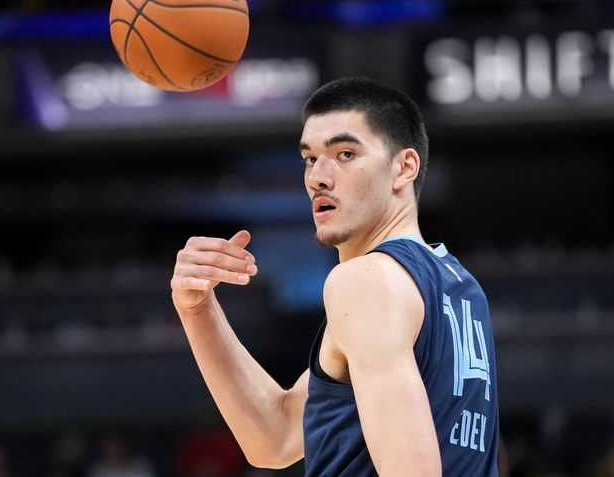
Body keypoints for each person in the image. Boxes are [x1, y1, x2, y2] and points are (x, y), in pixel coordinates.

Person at [170, 76, 499, 476]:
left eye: (345, 154)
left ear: (404, 167)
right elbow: (276, 439)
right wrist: (197, 309)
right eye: (310, 158)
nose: (317, 178)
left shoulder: (365, 281)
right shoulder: (460, 285)